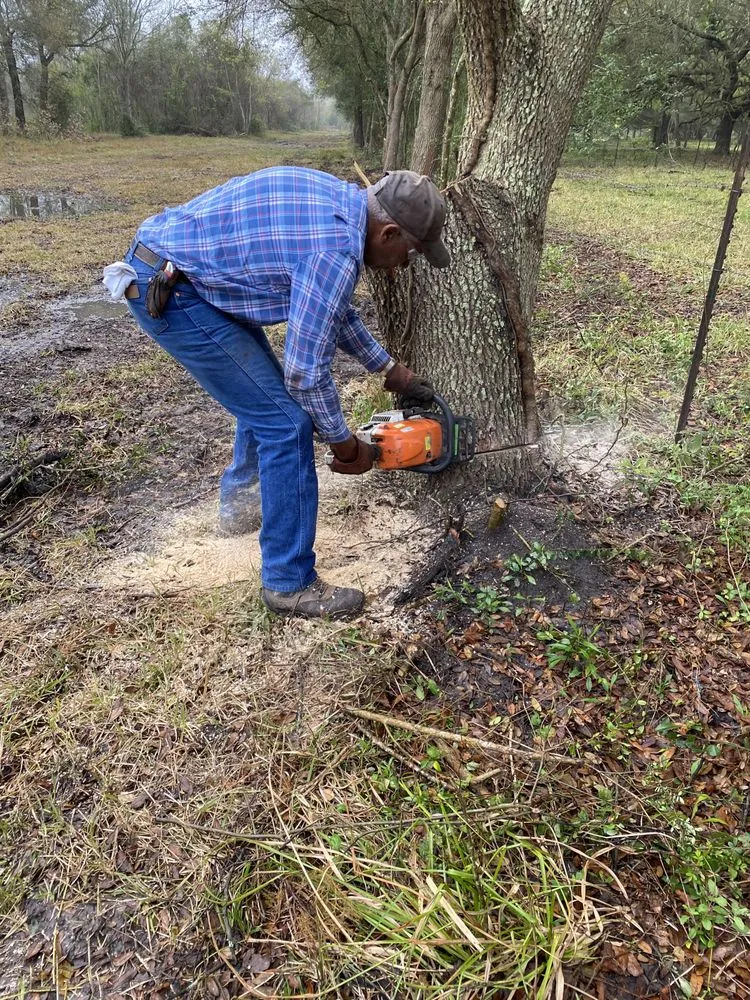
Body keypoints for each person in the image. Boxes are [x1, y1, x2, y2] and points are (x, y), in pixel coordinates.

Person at [103, 167, 450, 618]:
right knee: (286, 424)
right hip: (173, 290)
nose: (405, 263)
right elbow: (304, 375)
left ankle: (241, 509)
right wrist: (347, 447)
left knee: (264, 399)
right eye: (412, 251)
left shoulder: (341, 206)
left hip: (188, 272)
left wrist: (389, 370)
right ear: (388, 233)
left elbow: (332, 309)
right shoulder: (334, 251)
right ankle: (289, 582)